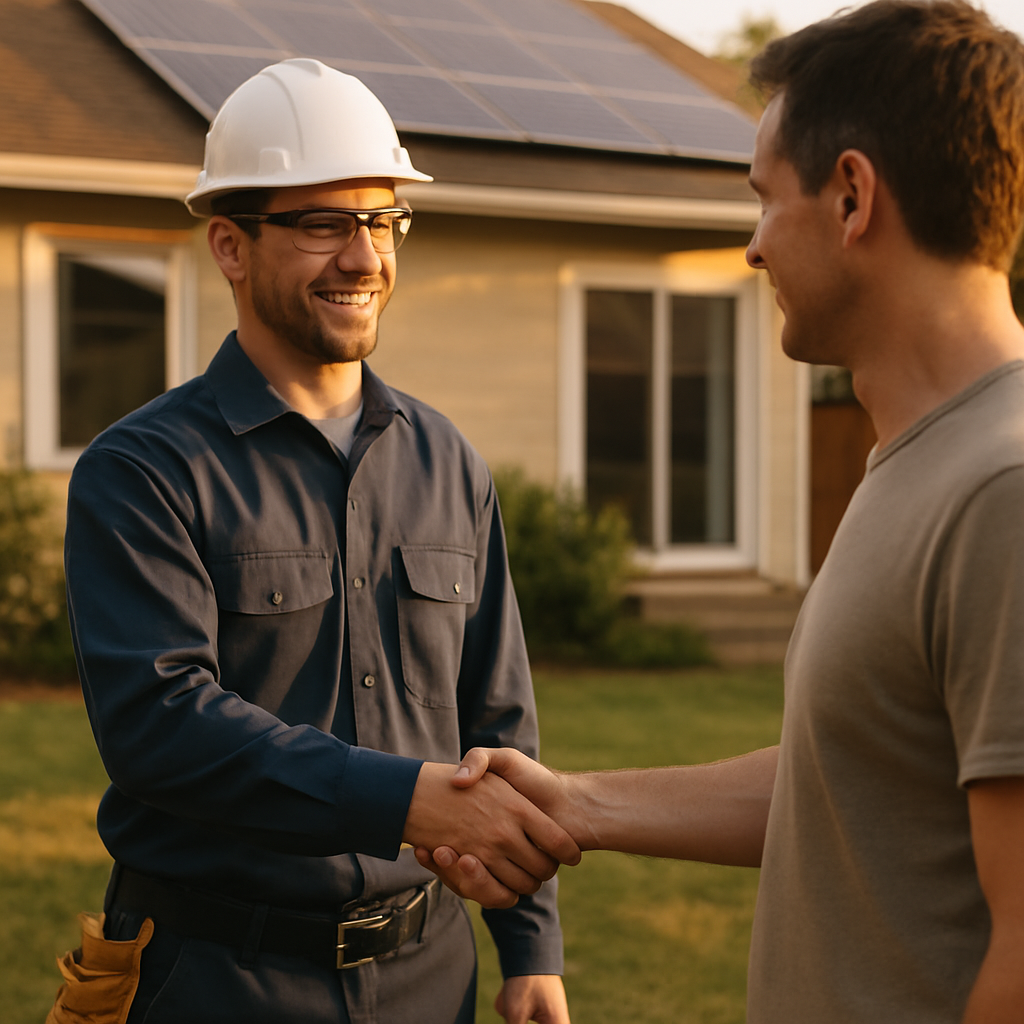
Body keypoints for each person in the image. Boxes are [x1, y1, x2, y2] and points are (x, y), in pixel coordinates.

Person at [417, 3, 1024, 1022]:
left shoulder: (1000, 491)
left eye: (762, 198)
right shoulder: (919, 467)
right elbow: (861, 783)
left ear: (850, 197)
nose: (750, 247)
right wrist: (577, 805)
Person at [53, 58, 579, 1024]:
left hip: (431, 972)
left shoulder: (448, 462)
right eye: (322, 224)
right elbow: (162, 728)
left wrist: (529, 941)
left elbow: (497, 717)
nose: (363, 257)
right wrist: (406, 799)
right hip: (219, 977)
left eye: (381, 221)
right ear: (230, 245)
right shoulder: (142, 471)